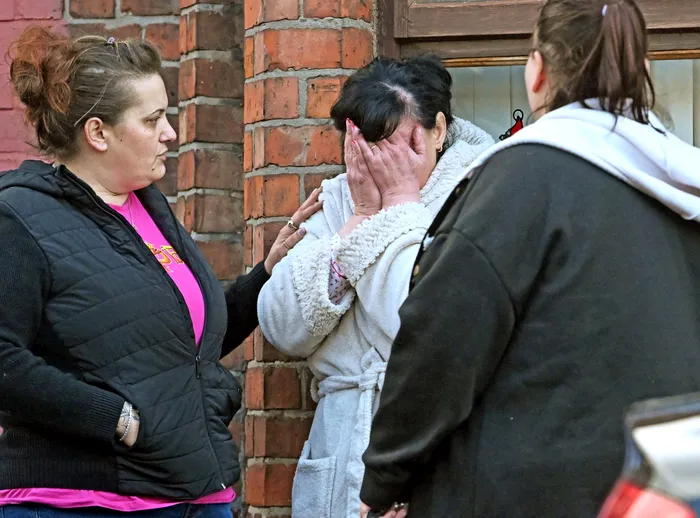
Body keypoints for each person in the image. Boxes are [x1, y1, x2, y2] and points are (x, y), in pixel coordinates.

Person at [358, 1, 700, 517]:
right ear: (643, 69)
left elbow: (441, 341)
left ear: (536, 71)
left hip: (524, 494)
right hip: (658, 496)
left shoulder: (520, 181)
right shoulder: (684, 189)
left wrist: (384, 481)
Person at [0, 27, 321, 518]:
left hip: (194, 492)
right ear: (98, 133)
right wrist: (116, 419)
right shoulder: (20, 215)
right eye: (152, 120)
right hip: (84, 503)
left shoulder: (149, 209)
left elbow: (183, 346)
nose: (169, 133)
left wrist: (266, 274)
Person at [256, 56, 494, 518]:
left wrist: (399, 208)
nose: (376, 161)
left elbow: (419, 325)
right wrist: (360, 222)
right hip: (342, 448)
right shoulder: (339, 199)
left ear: (437, 131)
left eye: (392, 142)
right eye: (365, 143)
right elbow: (279, 324)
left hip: (432, 454)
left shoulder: (478, 195)